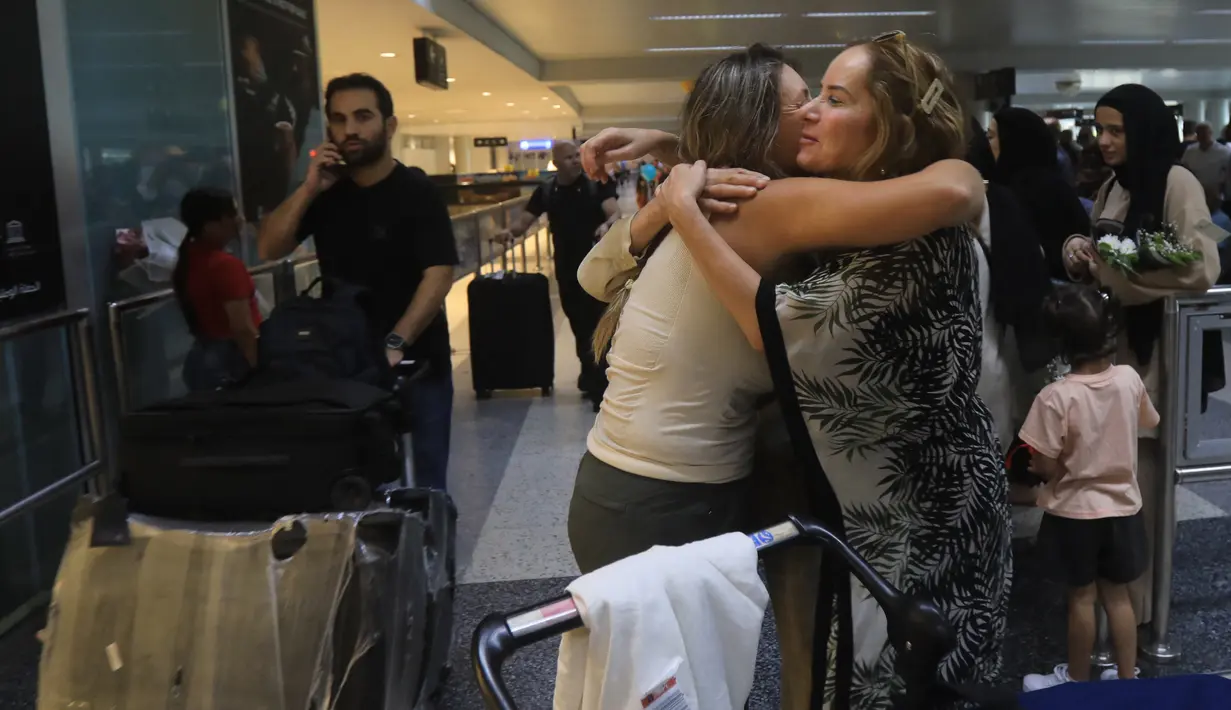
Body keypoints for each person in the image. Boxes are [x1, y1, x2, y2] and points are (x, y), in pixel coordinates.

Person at [658, 32, 1009, 708]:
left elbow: (776, 326)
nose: (809, 112)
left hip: (925, 525)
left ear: (893, 129)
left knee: (902, 685)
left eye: (834, 98)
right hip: (901, 508)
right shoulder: (876, 211)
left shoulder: (919, 241)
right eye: (811, 95)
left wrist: (684, 216)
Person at [1063, 84, 1225, 625]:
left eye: (1117, 131)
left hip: (1155, 354)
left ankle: (1140, 608)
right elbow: (1109, 244)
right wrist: (1080, 252)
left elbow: (1201, 269)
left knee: (1144, 481)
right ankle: (1120, 601)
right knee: (1116, 474)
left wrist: (1120, 278)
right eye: (1100, 129)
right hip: (1116, 349)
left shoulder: (1176, 183)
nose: (1104, 141)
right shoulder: (1115, 184)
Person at [256, 73, 459, 491]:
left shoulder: (417, 190)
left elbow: (438, 274)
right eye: (339, 119)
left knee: (428, 482)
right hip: (344, 363)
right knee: (356, 480)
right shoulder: (326, 194)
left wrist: (396, 342)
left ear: (389, 126)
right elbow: (268, 249)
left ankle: (434, 552)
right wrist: (309, 188)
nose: (350, 129)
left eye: (362, 117)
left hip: (417, 363)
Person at [1020, 284, 1157, 690]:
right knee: (1119, 597)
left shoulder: (1054, 397)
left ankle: (1077, 680)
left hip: (1075, 514)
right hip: (1123, 509)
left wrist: (1040, 467)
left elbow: (1044, 462)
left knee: (1081, 599)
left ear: (1060, 342)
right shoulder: (1130, 379)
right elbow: (1148, 421)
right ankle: (1128, 679)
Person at [496, 141, 619, 407]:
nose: (576, 160)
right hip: (566, 267)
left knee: (596, 323)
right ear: (556, 163)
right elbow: (526, 220)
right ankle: (589, 374)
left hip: (596, 264)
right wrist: (510, 232)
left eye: (577, 155)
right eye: (569, 157)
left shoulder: (596, 183)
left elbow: (613, 211)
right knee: (577, 323)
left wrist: (607, 225)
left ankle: (601, 385)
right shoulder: (547, 190)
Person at [988, 107, 1092, 279]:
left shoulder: (1023, 190)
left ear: (1011, 141)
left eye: (992, 136)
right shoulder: (1053, 184)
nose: (988, 144)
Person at [173, 188, 259, 392]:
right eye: (231, 215)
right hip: (232, 363)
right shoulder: (224, 265)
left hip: (202, 358)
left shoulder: (188, 260)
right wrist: (259, 371)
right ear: (209, 225)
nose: (238, 220)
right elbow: (243, 330)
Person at [1180, 122, 1231, 231]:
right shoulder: (1190, 151)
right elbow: (1184, 167)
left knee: (1214, 222)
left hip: (1215, 192)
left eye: (1205, 134)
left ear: (1210, 134)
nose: (1202, 137)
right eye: (1199, 134)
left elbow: (1226, 173)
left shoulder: (1223, 151)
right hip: (1196, 190)